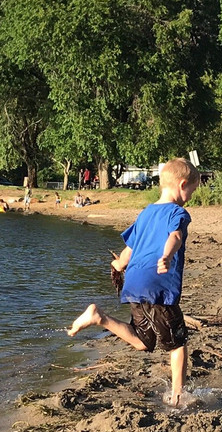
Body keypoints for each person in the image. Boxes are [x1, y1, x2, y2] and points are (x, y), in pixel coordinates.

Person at [68, 158, 201, 407]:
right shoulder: (178, 212)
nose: (190, 197)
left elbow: (128, 252)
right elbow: (175, 236)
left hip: (135, 283)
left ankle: (99, 318)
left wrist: (117, 266)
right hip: (158, 284)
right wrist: (167, 255)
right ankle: (178, 396)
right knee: (178, 344)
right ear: (182, 185)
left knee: (143, 341)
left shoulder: (146, 213)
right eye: (192, 191)